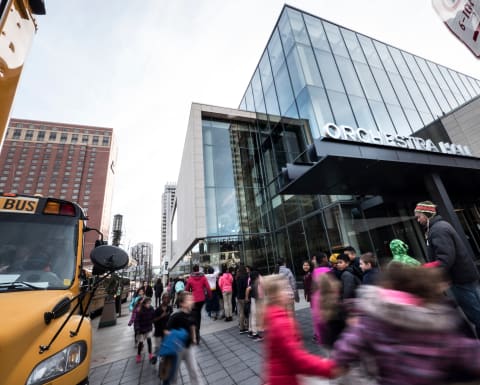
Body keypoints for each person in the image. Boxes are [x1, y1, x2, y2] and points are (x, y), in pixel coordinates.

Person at [332, 263, 480, 385]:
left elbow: (345, 350)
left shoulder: (373, 317)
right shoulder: (435, 320)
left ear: (386, 285)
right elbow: (467, 353)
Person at [415, 200, 480, 337]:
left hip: (459, 279)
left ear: (427, 214)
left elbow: (445, 258)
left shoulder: (438, 230)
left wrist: (429, 268)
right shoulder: (439, 227)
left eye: (419, 215)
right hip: (463, 277)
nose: (417, 219)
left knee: (475, 313)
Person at [262, 274, 339, 385]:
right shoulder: (280, 322)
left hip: (285, 375)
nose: (290, 291)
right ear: (275, 295)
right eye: (285, 288)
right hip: (286, 379)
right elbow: (297, 359)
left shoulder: (275, 315)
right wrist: (329, 368)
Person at [164, 291, 204, 385]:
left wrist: (194, 338)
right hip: (177, 349)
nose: (192, 301)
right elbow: (166, 331)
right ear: (182, 303)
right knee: (174, 374)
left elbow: (192, 326)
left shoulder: (192, 314)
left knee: (194, 371)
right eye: (189, 300)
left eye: (192, 299)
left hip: (188, 347)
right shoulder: (175, 317)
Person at [185, 264, 211, 341]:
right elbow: (208, 287)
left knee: (194, 315)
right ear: (198, 269)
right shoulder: (203, 277)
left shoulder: (190, 278)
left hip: (194, 299)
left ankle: (196, 332)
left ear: (193, 270)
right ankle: (198, 331)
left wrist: (187, 296)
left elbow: (186, 289)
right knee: (198, 314)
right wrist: (209, 295)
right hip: (201, 299)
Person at [135, 297, 155, 363]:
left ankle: (150, 354)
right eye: (148, 303)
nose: (149, 304)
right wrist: (137, 328)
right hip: (141, 329)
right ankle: (138, 355)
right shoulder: (140, 310)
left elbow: (154, 316)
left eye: (150, 303)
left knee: (149, 341)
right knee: (140, 343)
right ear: (144, 304)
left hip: (148, 328)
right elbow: (137, 320)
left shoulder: (151, 309)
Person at [235, 264, 249, 333]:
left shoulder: (237, 277)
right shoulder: (245, 277)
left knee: (241, 312)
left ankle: (241, 327)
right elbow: (245, 286)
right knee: (245, 312)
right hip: (243, 296)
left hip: (238, 296)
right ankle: (245, 327)